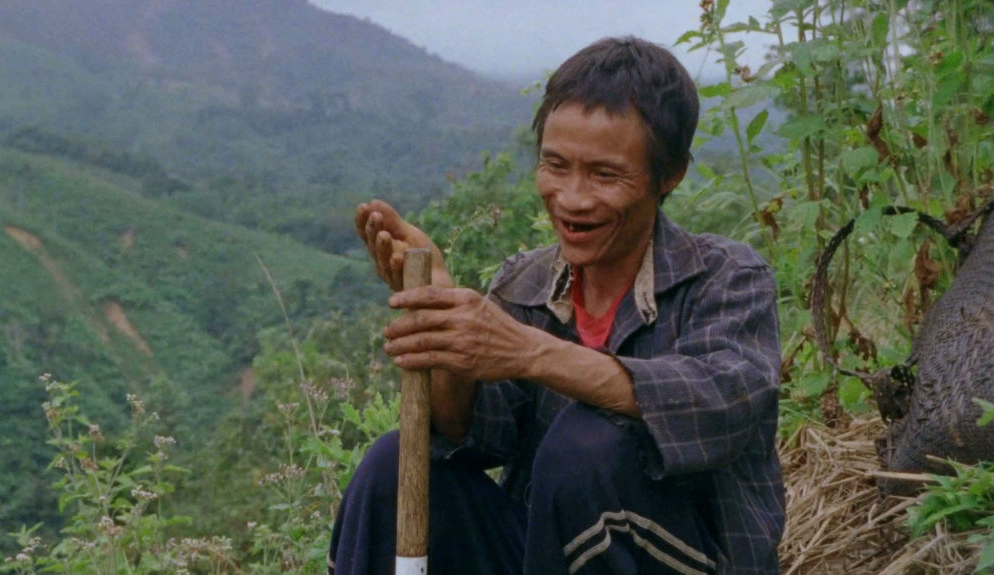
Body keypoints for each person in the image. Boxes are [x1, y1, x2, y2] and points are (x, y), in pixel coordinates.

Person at [328, 36, 784, 575]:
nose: (571, 197)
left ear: (670, 175)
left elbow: (716, 404)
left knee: (585, 448)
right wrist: (443, 319)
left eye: (605, 174)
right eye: (556, 166)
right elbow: (471, 433)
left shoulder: (727, 278)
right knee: (393, 461)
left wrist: (529, 353)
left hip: (688, 559)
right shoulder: (528, 282)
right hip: (549, 556)